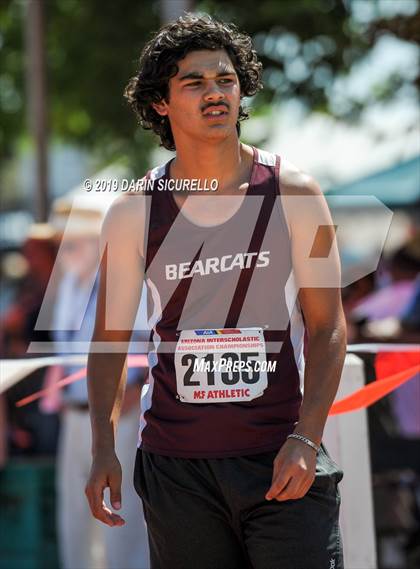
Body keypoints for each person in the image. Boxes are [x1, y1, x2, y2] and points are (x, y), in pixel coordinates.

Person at [85, 13, 347, 569]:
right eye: (194, 82)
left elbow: (328, 327)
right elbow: (109, 340)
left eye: (225, 79)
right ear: (161, 103)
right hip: (177, 469)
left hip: (282, 457)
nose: (215, 93)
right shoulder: (132, 211)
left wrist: (306, 438)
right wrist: (103, 447)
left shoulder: (295, 192)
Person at [47, 202, 150, 569]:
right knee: (75, 511)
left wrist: (133, 399)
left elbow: (140, 346)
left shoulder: (122, 282)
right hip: (76, 413)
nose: (66, 251)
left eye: (75, 243)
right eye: (64, 243)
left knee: (121, 514)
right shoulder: (70, 287)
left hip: (119, 414)